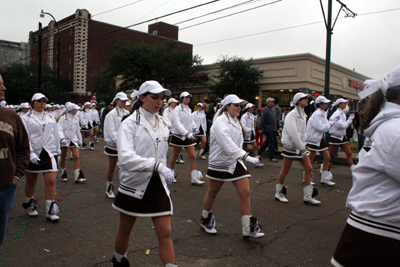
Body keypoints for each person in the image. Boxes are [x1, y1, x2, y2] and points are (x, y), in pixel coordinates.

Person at [331, 66, 400, 267]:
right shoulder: (395, 130)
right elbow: (326, 126)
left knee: (344, 156)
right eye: (342, 103)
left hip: (379, 227)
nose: (345, 104)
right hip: (378, 231)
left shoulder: (391, 127)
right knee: (325, 158)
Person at [111, 81, 177, 267]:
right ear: (142, 98)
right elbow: (125, 158)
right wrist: (157, 166)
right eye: (154, 97)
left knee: (165, 232)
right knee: (125, 230)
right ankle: (118, 260)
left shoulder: (164, 122)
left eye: (161, 98)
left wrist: (164, 169)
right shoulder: (129, 123)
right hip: (134, 184)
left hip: (157, 183)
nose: (159, 102)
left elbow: (161, 153)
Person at [200, 94, 264, 239]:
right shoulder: (219, 122)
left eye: (240, 106)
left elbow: (237, 142)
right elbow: (227, 144)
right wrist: (247, 157)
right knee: (212, 192)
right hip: (220, 162)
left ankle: (248, 228)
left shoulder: (236, 120)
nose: (239, 108)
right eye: (236, 105)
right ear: (227, 106)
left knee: (245, 192)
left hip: (235, 161)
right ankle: (205, 219)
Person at [0, 74, 30, 247]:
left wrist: (16, 176)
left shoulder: (11, 117)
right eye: (0, 85)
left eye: (3, 84)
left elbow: (23, 149)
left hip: (5, 188)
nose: (4, 88)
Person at [275, 92, 320, 205]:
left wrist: (303, 142)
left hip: (300, 147)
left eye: (307, 98)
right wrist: (302, 147)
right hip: (291, 146)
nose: (307, 100)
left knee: (309, 168)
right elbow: (293, 133)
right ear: (298, 101)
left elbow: (302, 132)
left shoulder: (303, 114)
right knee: (285, 170)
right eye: (304, 98)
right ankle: (278, 193)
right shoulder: (292, 115)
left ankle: (308, 196)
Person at [22, 93, 61, 221]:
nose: (42, 103)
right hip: (34, 152)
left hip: (48, 152)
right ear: (33, 103)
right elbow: (24, 137)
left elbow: (55, 135)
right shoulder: (26, 118)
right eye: (39, 101)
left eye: (44, 101)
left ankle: (50, 210)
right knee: (31, 181)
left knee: (50, 181)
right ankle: (30, 205)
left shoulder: (50, 117)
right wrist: (30, 153)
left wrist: (57, 152)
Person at [169, 91, 204, 185]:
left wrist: (195, 128)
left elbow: (191, 121)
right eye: (185, 97)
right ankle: (170, 174)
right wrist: (186, 133)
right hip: (178, 136)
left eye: (189, 97)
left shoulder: (189, 109)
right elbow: (177, 123)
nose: (187, 98)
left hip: (188, 136)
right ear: (182, 99)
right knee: (175, 156)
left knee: (192, 156)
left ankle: (194, 178)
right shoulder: (177, 110)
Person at [104, 92, 130, 199]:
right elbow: (111, 132)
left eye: (125, 101)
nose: (124, 102)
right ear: (116, 101)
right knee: (112, 167)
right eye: (122, 100)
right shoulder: (111, 115)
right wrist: (120, 143)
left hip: (124, 144)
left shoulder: (127, 113)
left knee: (125, 167)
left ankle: (125, 188)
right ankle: (109, 187)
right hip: (113, 145)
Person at [306, 96, 336, 186]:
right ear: (320, 104)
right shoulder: (317, 114)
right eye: (325, 103)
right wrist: (330, 124)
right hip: (313, 139)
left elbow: (325, 126)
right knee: (310, 159)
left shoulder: (323, 113)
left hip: (319, 139)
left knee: (327, 157)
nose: (327, 104)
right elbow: (321, 127)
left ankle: (324, 178)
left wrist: (328, 125)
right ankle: (307, 178)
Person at [58, 103, 86, 183]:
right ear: (71, 110)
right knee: (63, 156)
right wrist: (62, 138)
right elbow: (59, 129)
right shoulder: (62, 118)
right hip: (65, 140)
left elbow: (77, 131)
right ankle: (63, 172)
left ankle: (77, 175)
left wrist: (80, 141)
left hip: (73, 139)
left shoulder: (75, 118)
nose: (77, 111)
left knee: (76, 156)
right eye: (75, 109)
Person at [328, 98, 355, 169]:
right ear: (339, 104)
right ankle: (324, 168)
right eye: (343, 103)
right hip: (336, 136)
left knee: (349, 153)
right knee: (329, 154)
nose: (345, 104)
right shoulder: (337, 113)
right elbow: (341, 125)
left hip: (342, 136)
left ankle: (353, 168)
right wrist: (350, 120)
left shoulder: (342, 113)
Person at [258, 98, 280, 162]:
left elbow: (276, 119)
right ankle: (271, 156)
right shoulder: (265, 110)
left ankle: (260, 151)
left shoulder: (273, 109)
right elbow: (262, 120)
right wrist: (261, 128)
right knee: (271, 142)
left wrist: (278, 127)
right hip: (268, 128)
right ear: (268, 102)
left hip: (273, 128)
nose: (273, 103)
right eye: (272, 102)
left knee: (268, 141)